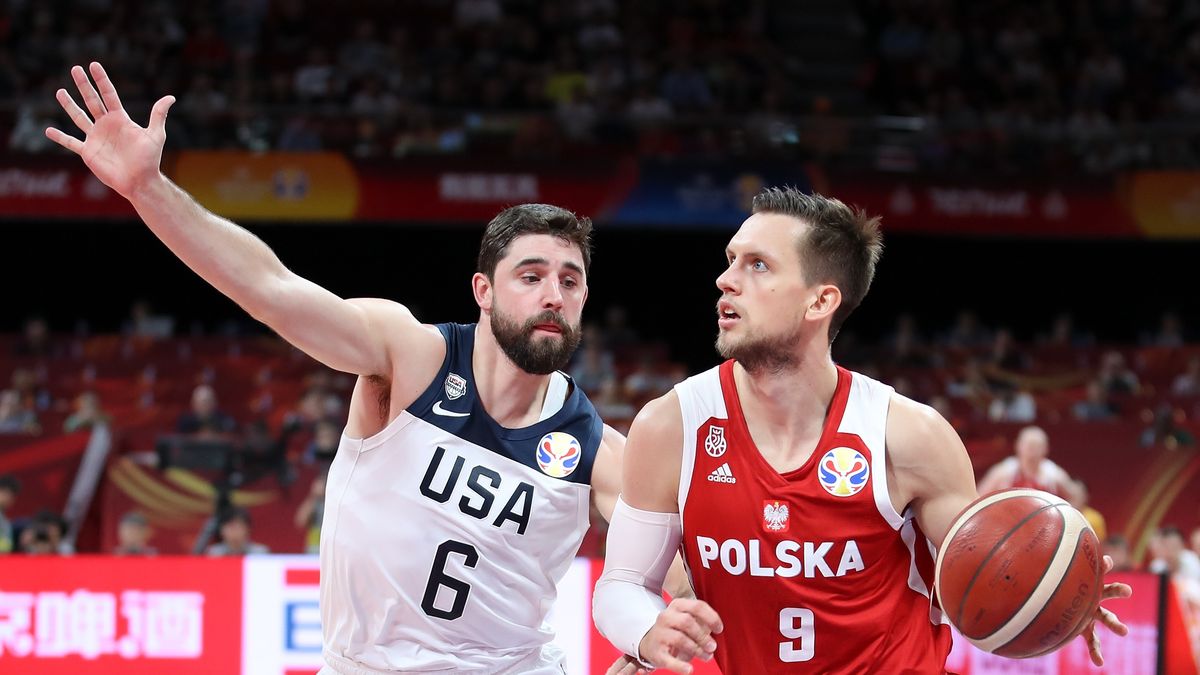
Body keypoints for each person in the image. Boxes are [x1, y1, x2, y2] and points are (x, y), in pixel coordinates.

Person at [47, 62, 643, 674]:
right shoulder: (409, 356)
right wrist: (149, 188)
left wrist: (642, 654)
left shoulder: (597, 449)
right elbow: (269, 288)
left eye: (570, 281)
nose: (554, 294)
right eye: (532, 275)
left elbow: (683, 563)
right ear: (483, 291)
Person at [593, 188, 1131, 674]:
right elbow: (622, 586)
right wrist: (646, 631)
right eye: (731, 260)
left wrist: (1056, 592)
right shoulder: (672, 426)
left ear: (820, 301)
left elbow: (984, 580)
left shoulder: (908, 436)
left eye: (757, 265)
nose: (726, 279)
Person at [977, 425, 1083, 502]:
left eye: (1037, 446)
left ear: (1046, 449)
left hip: (1044, 528)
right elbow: (978, 497)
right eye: (1029, 445)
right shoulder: (1003, 472)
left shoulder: (1053, 474)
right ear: (1018, 446)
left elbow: (1078, 496)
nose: (1032, 450)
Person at [205, 507, 269, 556]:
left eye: (238, 527)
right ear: (221, 530)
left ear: (248, 529)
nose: (234, 531)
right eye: (231, 527)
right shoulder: (214, 554)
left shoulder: (260, 553)